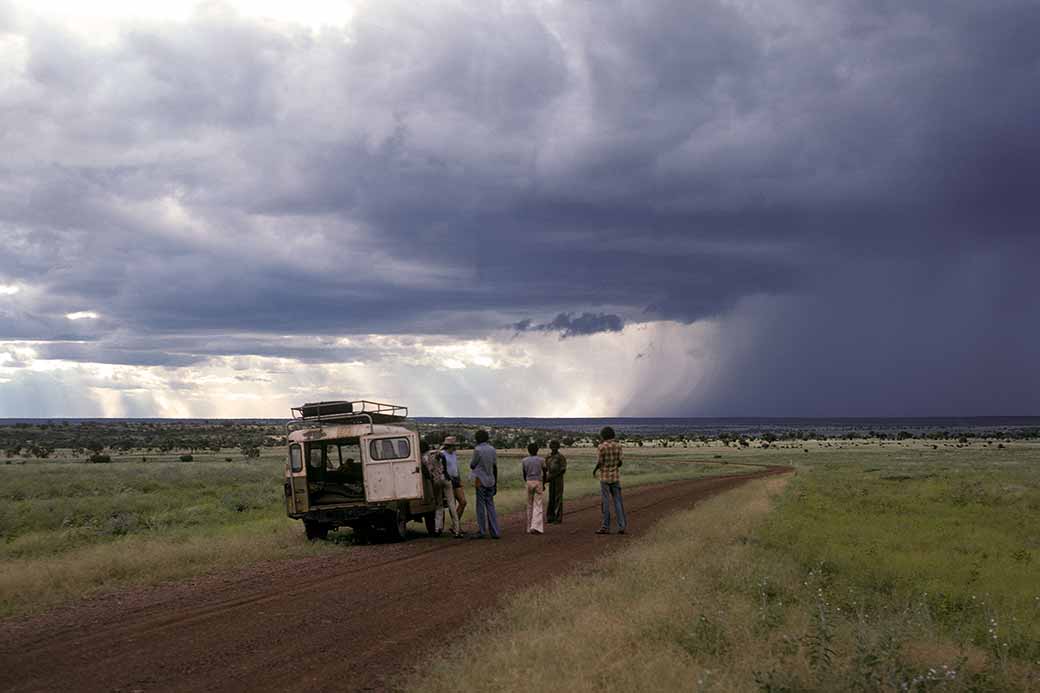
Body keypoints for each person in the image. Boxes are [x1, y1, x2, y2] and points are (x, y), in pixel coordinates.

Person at [592, 426, 627, 535]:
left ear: (603, 436)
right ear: (613, 435)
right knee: (618, 502)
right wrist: (614, 466)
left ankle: (605, 527)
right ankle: (622, 526)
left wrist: (595, 470)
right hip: (615, 477)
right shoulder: (618, 446)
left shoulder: (601, 447)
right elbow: (620, 462)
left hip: (604, 477)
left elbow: (600, 462)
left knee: (605, 502)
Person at [468, 429, 500, 539]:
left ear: (477, 439)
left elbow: (472, 465)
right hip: (491, 480)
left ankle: (482, 531)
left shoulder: (477, 450)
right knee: (491, 505)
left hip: (480, 480)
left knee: (480, 506)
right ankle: (495, 531)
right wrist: (496, 483)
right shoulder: (492, 449)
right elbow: (495, 466)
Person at [439, 436, 466, 537]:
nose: (455, 448)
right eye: (454, 446)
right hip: (448, 480)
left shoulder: (454, 454)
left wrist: (459, 479)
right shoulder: (442, 455)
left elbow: (456, 467)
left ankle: (455, 525)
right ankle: (456, 527)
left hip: (456, 480)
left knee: (463, 502)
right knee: (452, 505)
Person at [419, 441, 445, 536]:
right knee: (439, 505)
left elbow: (425, 471)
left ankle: (434, 528)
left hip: (430, 482)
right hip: (438, 480)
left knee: (432, 504)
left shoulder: (421, 458)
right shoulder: (433, 455)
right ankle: (438, 528)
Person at [520, 442, 546, 534]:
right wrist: (544, 483)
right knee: (538, 504)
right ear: (537, 450)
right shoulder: (541, 460)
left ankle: (528, 527)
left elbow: (524, 473)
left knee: (529, 505)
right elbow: (544, 471)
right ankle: (536, 527)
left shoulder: (524, 460)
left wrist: (526, 481)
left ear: (528, 450)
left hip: (529, 482)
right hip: (538, 481)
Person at [544, 440, 567, 524]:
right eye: (552, 446)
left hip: (558, 480)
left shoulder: (561, 457)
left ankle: (558, 518)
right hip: (551, 480)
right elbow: (545, 468)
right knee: (551, 498)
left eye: (555, 446)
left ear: (558, 447)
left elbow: (563, 470)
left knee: (558, 498)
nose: (553, 447)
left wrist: (552, 476)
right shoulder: (548, 457)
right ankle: (550, 517)